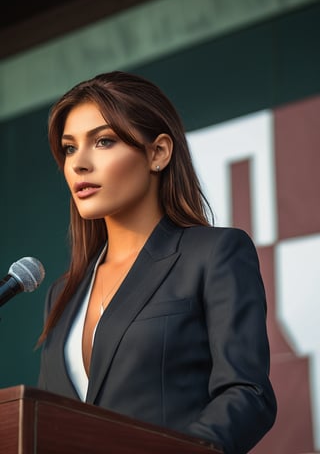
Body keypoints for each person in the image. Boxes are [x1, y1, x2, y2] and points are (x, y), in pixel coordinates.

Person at [38, 70, 277, 454]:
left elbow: (247, 394)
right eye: (69, 148)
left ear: (158, 153)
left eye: (103, 141)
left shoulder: (214, 253)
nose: (78, 163)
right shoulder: (60, 294)